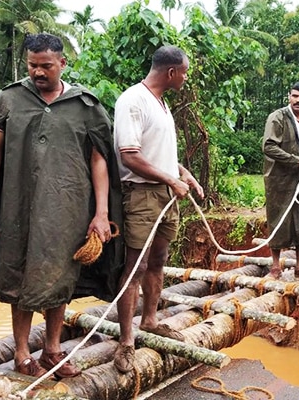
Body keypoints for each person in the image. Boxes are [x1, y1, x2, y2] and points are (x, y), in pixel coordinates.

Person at [0, 33, 124, 378]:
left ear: (62, 63)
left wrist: (101, 212)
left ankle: (53, 349)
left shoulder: (85, 106)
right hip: (16, 208)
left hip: (68, 209)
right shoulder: (9, 100)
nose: (38, 72)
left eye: (46, 66)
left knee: (61, 277)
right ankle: (22, 353)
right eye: (32, 65)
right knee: (18, 276)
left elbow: (100, 161)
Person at [112, 45, 204, 374]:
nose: (186, 76)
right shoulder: (133, 100)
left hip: (166, 193)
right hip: (142, 196)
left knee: (159, 260)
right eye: (185, 71)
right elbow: (130, 155)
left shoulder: (161, 104)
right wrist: (170, 179)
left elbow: (156, 151)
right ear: (171, 73)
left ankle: (150, 320)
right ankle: (125, 341)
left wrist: (182, 173)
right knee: (135, 267)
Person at [262, 81, 299, 280]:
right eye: (294, 96)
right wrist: (298, 161)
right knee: (278, 218)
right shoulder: (277, 117)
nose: (298, 100)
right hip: (279, 178)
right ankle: (275, 267)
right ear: (289, 97)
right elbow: (269, 146)